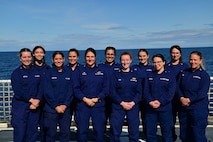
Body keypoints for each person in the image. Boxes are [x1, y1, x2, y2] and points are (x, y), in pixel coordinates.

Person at [73, 47, 109, 142]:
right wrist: (85, 99)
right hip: (83, 105)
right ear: (84, 58)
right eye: (88, 56)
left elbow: (106, 88)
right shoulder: (79, 70)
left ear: (95, 57)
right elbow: (76, 89)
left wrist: (97, 98)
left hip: (98, 105)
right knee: (82, 131)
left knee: (99, 131)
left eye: (92, 56)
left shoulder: (102, 70)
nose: (90, 59)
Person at [109, 52, 145, 142]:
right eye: (123, 60)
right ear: (120, 61)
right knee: (115, 131)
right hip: (118, 106)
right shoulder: (115, 75)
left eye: (127, 60)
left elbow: (139, 92)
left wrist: (133, 103)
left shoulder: (136, 75)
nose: (125, 62)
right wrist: (122, 103)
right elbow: (112, 92)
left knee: (134, 131)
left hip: (133, 106)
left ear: (131, 61)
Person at [177, 51, 210, 142]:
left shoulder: (204, 75)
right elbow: (178, 87)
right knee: (184, 134)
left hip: (198, 109)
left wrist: (190, 100)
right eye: (191, 59)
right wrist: (181, 98)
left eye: (195, 60)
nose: (193, 62)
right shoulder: (183, 73)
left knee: (197, 134)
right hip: (184, 108)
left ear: (200, 61)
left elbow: (202, 93)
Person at [11, 48, 43, 142]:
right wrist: (31, 100)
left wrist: (37, 100)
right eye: (24, 57)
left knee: (32, 134)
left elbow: (41, 87)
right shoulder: (16, 73)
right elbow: (18, 91)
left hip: (35, 108)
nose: (27, 59)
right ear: (20, 58)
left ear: (32, 57)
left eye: (29, 57)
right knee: (20, 134)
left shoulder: (37, 71)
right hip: (20, 108)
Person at [42, 51, 73, 142]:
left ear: (63, 59)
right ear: (53, 60)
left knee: (65, 133)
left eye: (60, 59)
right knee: (51, 134)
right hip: (51, 109)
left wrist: (65, 105)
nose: (58, 61)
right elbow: (47, 91)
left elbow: (70, 91)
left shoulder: (68, 72)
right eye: (56, 59)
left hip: (65, 109)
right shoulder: (49, 72)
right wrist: (55, 106)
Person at [144, 54, 176, 142]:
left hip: (165, 109)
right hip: (151, 109)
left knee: (167, 133)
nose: (156, 64)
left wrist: (160, 102)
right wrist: (150, 102)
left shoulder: (170, 75)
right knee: (150, 133)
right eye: (154, 62)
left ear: (163, 62)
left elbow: (170, 93)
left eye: (159, 62)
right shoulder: (149, 75)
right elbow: (146, 91)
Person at [166, 45, 188, 141]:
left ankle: (184, 138)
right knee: (170, 121)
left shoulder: (185, 67)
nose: (175, 55)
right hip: (170, 99)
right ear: (170, 54)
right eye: (173, 53)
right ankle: (171, 138)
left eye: (177, 53)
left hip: (181, 97)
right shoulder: (166, 66)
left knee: (184, 121)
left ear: (180, 54)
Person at [132, 48, 153, 139]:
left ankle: (147, 137)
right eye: (140, 56)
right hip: (136, 98)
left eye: (144, 56)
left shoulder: (152, 68)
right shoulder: (134, 68)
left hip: (147, 99)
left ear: (147, 56)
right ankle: (134, 137)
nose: (142, 58)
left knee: (147, 119)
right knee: (134, 120)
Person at [98, 46, 121, 131]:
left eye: (112, 54)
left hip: (115, 99)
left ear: (114, 55)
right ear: (105, 55)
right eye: (108, 54)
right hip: (103, 99)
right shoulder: (100, 67)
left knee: (114, 122)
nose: (110, 56)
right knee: (101, 121)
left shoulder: (119, 67)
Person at [32, 45, 50, 142]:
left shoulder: (48, 69)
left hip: (46, 103)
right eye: (37, 52)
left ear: (44, 54)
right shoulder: (30, 68)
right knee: (32, 128)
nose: (39, 54)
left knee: (45, 128)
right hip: (33, 103)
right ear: (33, 54)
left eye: (41, 52)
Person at [66, 48, 81, 125]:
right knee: (66, 120)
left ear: (77, 57)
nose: (72, 58)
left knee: (79, 120)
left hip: (79, 99)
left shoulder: (82, 68)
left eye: (74, 56)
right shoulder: (64, 69)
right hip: (67, 99)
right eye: (70, 56)